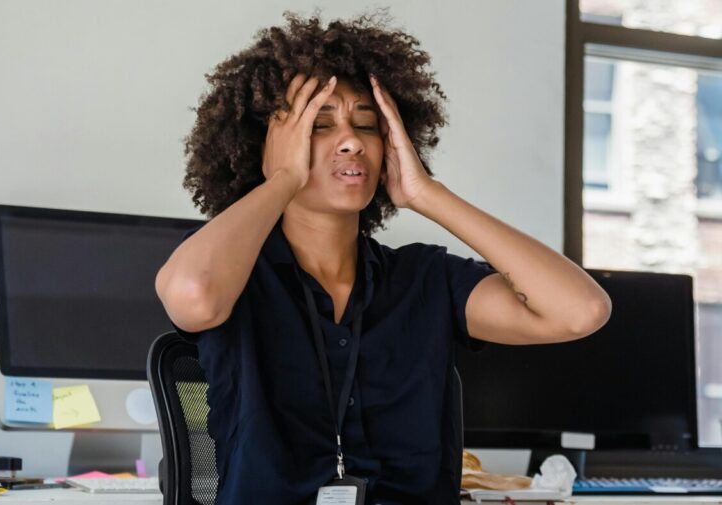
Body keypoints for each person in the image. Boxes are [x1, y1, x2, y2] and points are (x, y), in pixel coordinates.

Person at [156, 11, 611, 505]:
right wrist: (282, 178)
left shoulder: (426, 279)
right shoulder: (234, 271)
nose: (351, 140)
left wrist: (426, 194)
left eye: (367, 125)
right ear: (265, 145)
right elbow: (191, 297)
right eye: (319, 126)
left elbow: (580, 311)